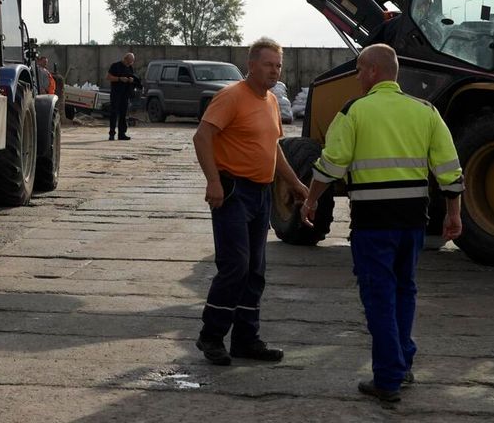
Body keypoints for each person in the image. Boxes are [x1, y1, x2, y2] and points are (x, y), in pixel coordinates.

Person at [301, 43, 464, 403]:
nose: (358, 76)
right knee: (404, 290)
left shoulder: (355, 111)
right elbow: (449, 168)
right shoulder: (426, 110)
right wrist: (454, 214)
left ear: (374, 71)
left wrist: (311, 199)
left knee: (379, 297)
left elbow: (332, 164)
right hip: (412, 223)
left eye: (360, 69)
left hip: (374, 224)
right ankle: (403, 364)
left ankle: (388, 378)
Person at [192, 38, 308, 366]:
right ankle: (211, 336)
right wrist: (213, 181)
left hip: (261, 194)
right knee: (236, 266)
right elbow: (202, 137)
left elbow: (274, 150)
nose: (275, 71)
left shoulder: (271, 101)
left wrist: (296, 183)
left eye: (278, 66)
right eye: (269, 64)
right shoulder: (231, 97)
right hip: (233, 193)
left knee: (256, 270)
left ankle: (245, 338)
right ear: (252, 64)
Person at [107, 52, 138, 140]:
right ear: (125, 59)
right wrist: (120, 79)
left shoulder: (130, 68)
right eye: (129, 61)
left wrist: (131, 80)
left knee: (123, 115)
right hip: (116, 94)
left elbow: (132, 77)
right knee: (114, 113)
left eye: (132, 62)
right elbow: (108, 77)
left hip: (125, 94)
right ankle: (112, 134)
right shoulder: (115, 66)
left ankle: (122, 134)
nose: (130, 63)